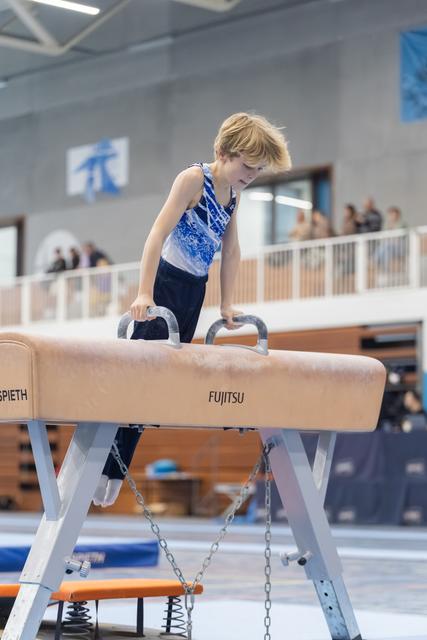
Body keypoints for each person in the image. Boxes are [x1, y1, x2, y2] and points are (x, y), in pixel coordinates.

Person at [93, 112, 292, 507]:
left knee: (155, 385)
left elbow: (231, 251)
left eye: (257, 171)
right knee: (137, 380)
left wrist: (227, 302)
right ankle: (103, 467)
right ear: (222, 152)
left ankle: (113, 469)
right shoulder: (193, 180)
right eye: (246, 167)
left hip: (194, 291)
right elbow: (157, 234)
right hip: (165, 284)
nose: (250, 175)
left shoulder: (234, 196)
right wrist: (144, 293)